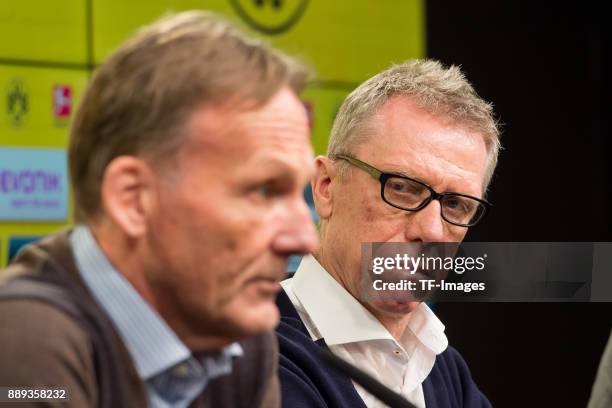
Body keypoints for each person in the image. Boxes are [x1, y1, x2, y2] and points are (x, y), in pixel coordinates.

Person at [0, 10, 318, 408]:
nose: (305, 238)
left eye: (297, 194)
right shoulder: (24, 340)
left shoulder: (239, 336)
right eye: (263, 190)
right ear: (133, 200)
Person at [276, 59, 500, 408]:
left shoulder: (446, 369)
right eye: (402, 188)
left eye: (456, 205)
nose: (431, 230)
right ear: (326, 187)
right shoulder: (252, 354)